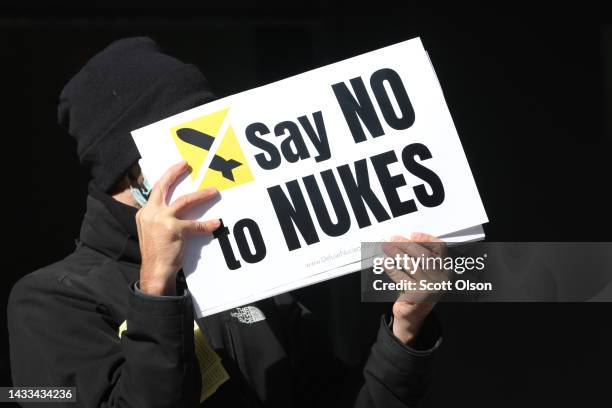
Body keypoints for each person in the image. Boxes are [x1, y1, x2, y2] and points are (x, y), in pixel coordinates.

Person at [8, 37, 443, 408]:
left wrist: (405, 328)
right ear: (134, 170)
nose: (220, 158)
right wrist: (156, 292)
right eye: (195, 140)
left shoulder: (245, 275)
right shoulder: (49, 301)